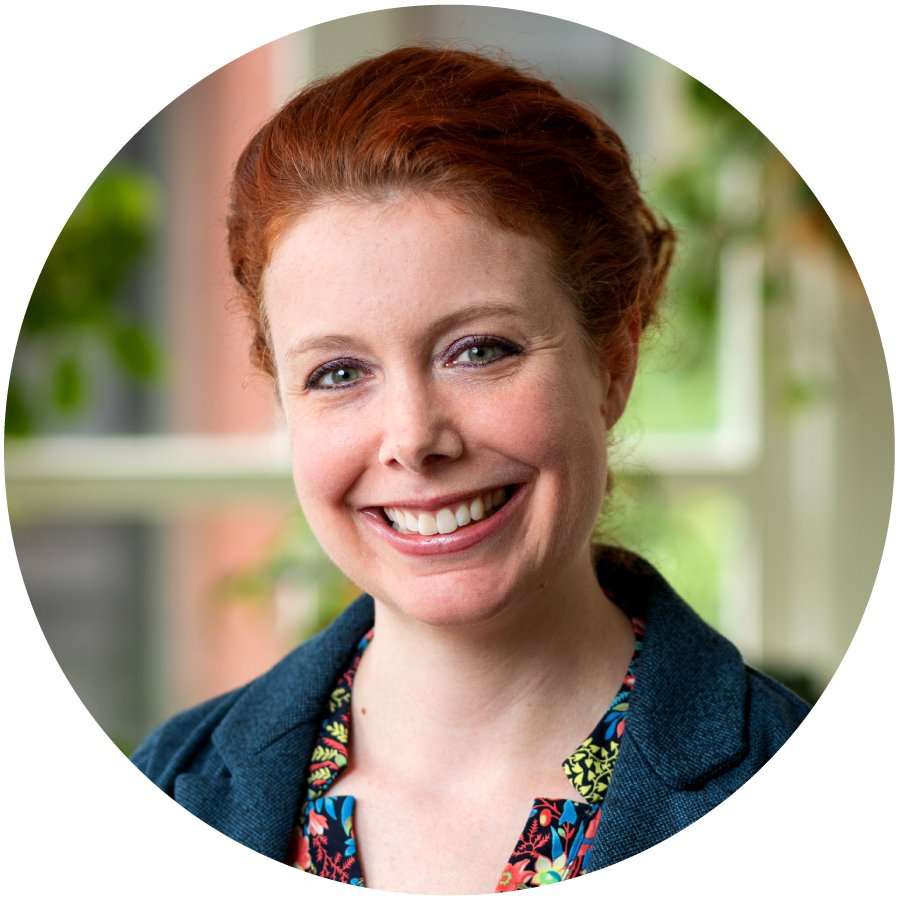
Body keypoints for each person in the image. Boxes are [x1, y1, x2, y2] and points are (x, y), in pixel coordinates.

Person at [132, 46, 809, 893]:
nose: (414, 439)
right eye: (338, 373)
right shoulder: (166, 789)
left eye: (480, 351)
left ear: (614, 362)